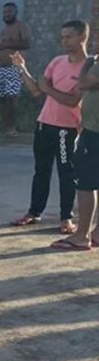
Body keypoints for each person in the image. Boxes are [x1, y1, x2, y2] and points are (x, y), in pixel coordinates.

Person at [10, 21, 90, 234]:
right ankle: (34, 212)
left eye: (69, 37)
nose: (64, 41)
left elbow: (73, 101)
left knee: (67, 173)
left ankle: (66, 218)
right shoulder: (57, 61)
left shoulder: (88, 67)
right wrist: (23, 69)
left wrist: (50, 89)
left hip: (67, 129)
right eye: (62, 37)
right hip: (44, 124)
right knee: (41, 171)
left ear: (82, 37)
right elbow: (38, 90)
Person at [51, 42, 99, 250]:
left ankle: (81, 236)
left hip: (95, 132)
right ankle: (97, 233)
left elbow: (84, 83)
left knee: (86, 184)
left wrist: (87, 64)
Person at [0, 3, 31, 136]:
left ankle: (12, 127)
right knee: (2, 98)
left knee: (11, 97)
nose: (6, 14)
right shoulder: (3, 30)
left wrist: (7, 44)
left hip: (13, 68)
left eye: (9, 12)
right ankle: (4, 127)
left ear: (16, 12)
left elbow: (27, 43)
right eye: (4, 12)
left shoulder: (21, 26)